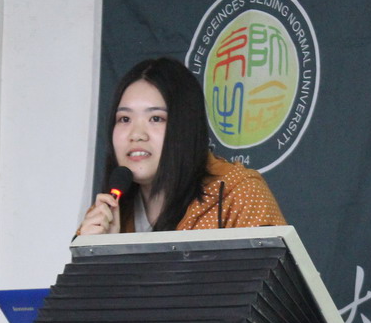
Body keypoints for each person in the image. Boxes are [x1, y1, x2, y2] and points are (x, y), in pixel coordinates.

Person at [77, 57, 286, 236]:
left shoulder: (240, 194)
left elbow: (269, 272)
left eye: (156, 118)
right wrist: (102, 250)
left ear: (186, 127)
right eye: (124, 119)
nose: (137, 134)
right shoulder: (106, 213)